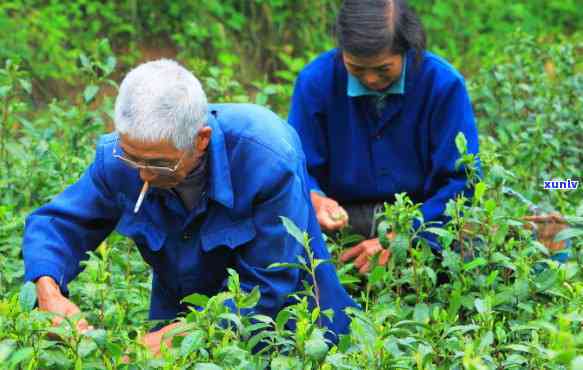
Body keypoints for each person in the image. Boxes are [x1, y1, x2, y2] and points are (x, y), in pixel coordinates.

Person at [22, 59, 357, 355]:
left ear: (201, 139)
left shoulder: (267, 156)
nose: (142, 174)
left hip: (294, 330)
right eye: (132, 157)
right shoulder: (120, 158)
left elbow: (267, 290)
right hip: (177, 313)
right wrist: (49, 290)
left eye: (158, 164)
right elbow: (56, 225)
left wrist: (172, 339)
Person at [288, 0, 480, 273]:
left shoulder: (442, 85)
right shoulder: (316, 82)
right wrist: (315, 198)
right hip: (343, 219)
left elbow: (463, 181)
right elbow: (296, 166)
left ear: (408, 50)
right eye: (356, 68)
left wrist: (405, 237)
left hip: (423, 218)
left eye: (382, 69)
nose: (370, 79)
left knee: (476, 250)